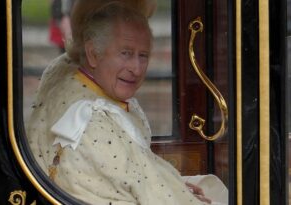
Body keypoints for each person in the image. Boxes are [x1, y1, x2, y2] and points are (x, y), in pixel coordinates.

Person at [27, 1, 227, 204]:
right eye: (126, 53)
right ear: (93, 53)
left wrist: (176, 184)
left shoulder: (65, 70)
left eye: (143, 56)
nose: (137, 69)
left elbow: (139, 171)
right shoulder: (95, 122)